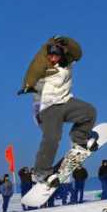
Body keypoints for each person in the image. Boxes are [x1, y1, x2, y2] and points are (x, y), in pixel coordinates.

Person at [17, 35, 97, 186]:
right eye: (50, 56)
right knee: (52, 137)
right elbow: (33, 69)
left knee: (89, 112)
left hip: (65, 102)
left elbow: (78, 53)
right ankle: (41, 172)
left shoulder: (68, 60)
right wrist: (27, 85)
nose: (53, 59)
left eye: (56, 56)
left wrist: (66, 40)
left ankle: (79, 139)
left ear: (62, 54)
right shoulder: (43, 61)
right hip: (46, 107)